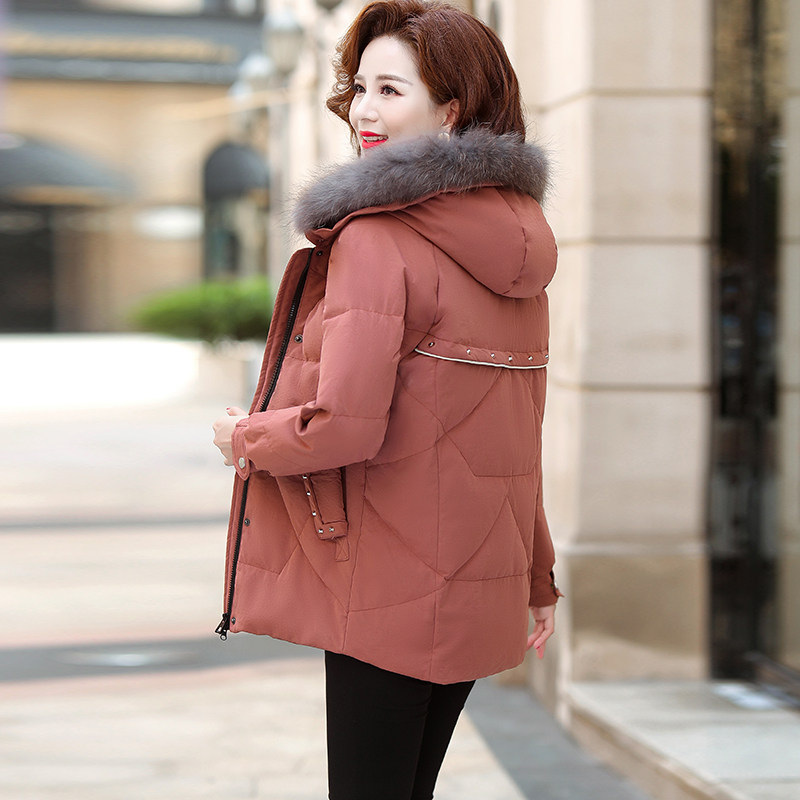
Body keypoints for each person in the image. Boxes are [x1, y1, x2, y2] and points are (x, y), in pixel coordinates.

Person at [212, 2, 561, 798]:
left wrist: (245, 438)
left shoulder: (378, 237)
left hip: (385, 585)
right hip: (477, 578)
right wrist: (536, 577)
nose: (364, 111)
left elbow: (343, 427)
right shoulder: (519, 243)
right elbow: (516, 439)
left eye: (391, 90)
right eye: (360, 87)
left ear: (452, 109)